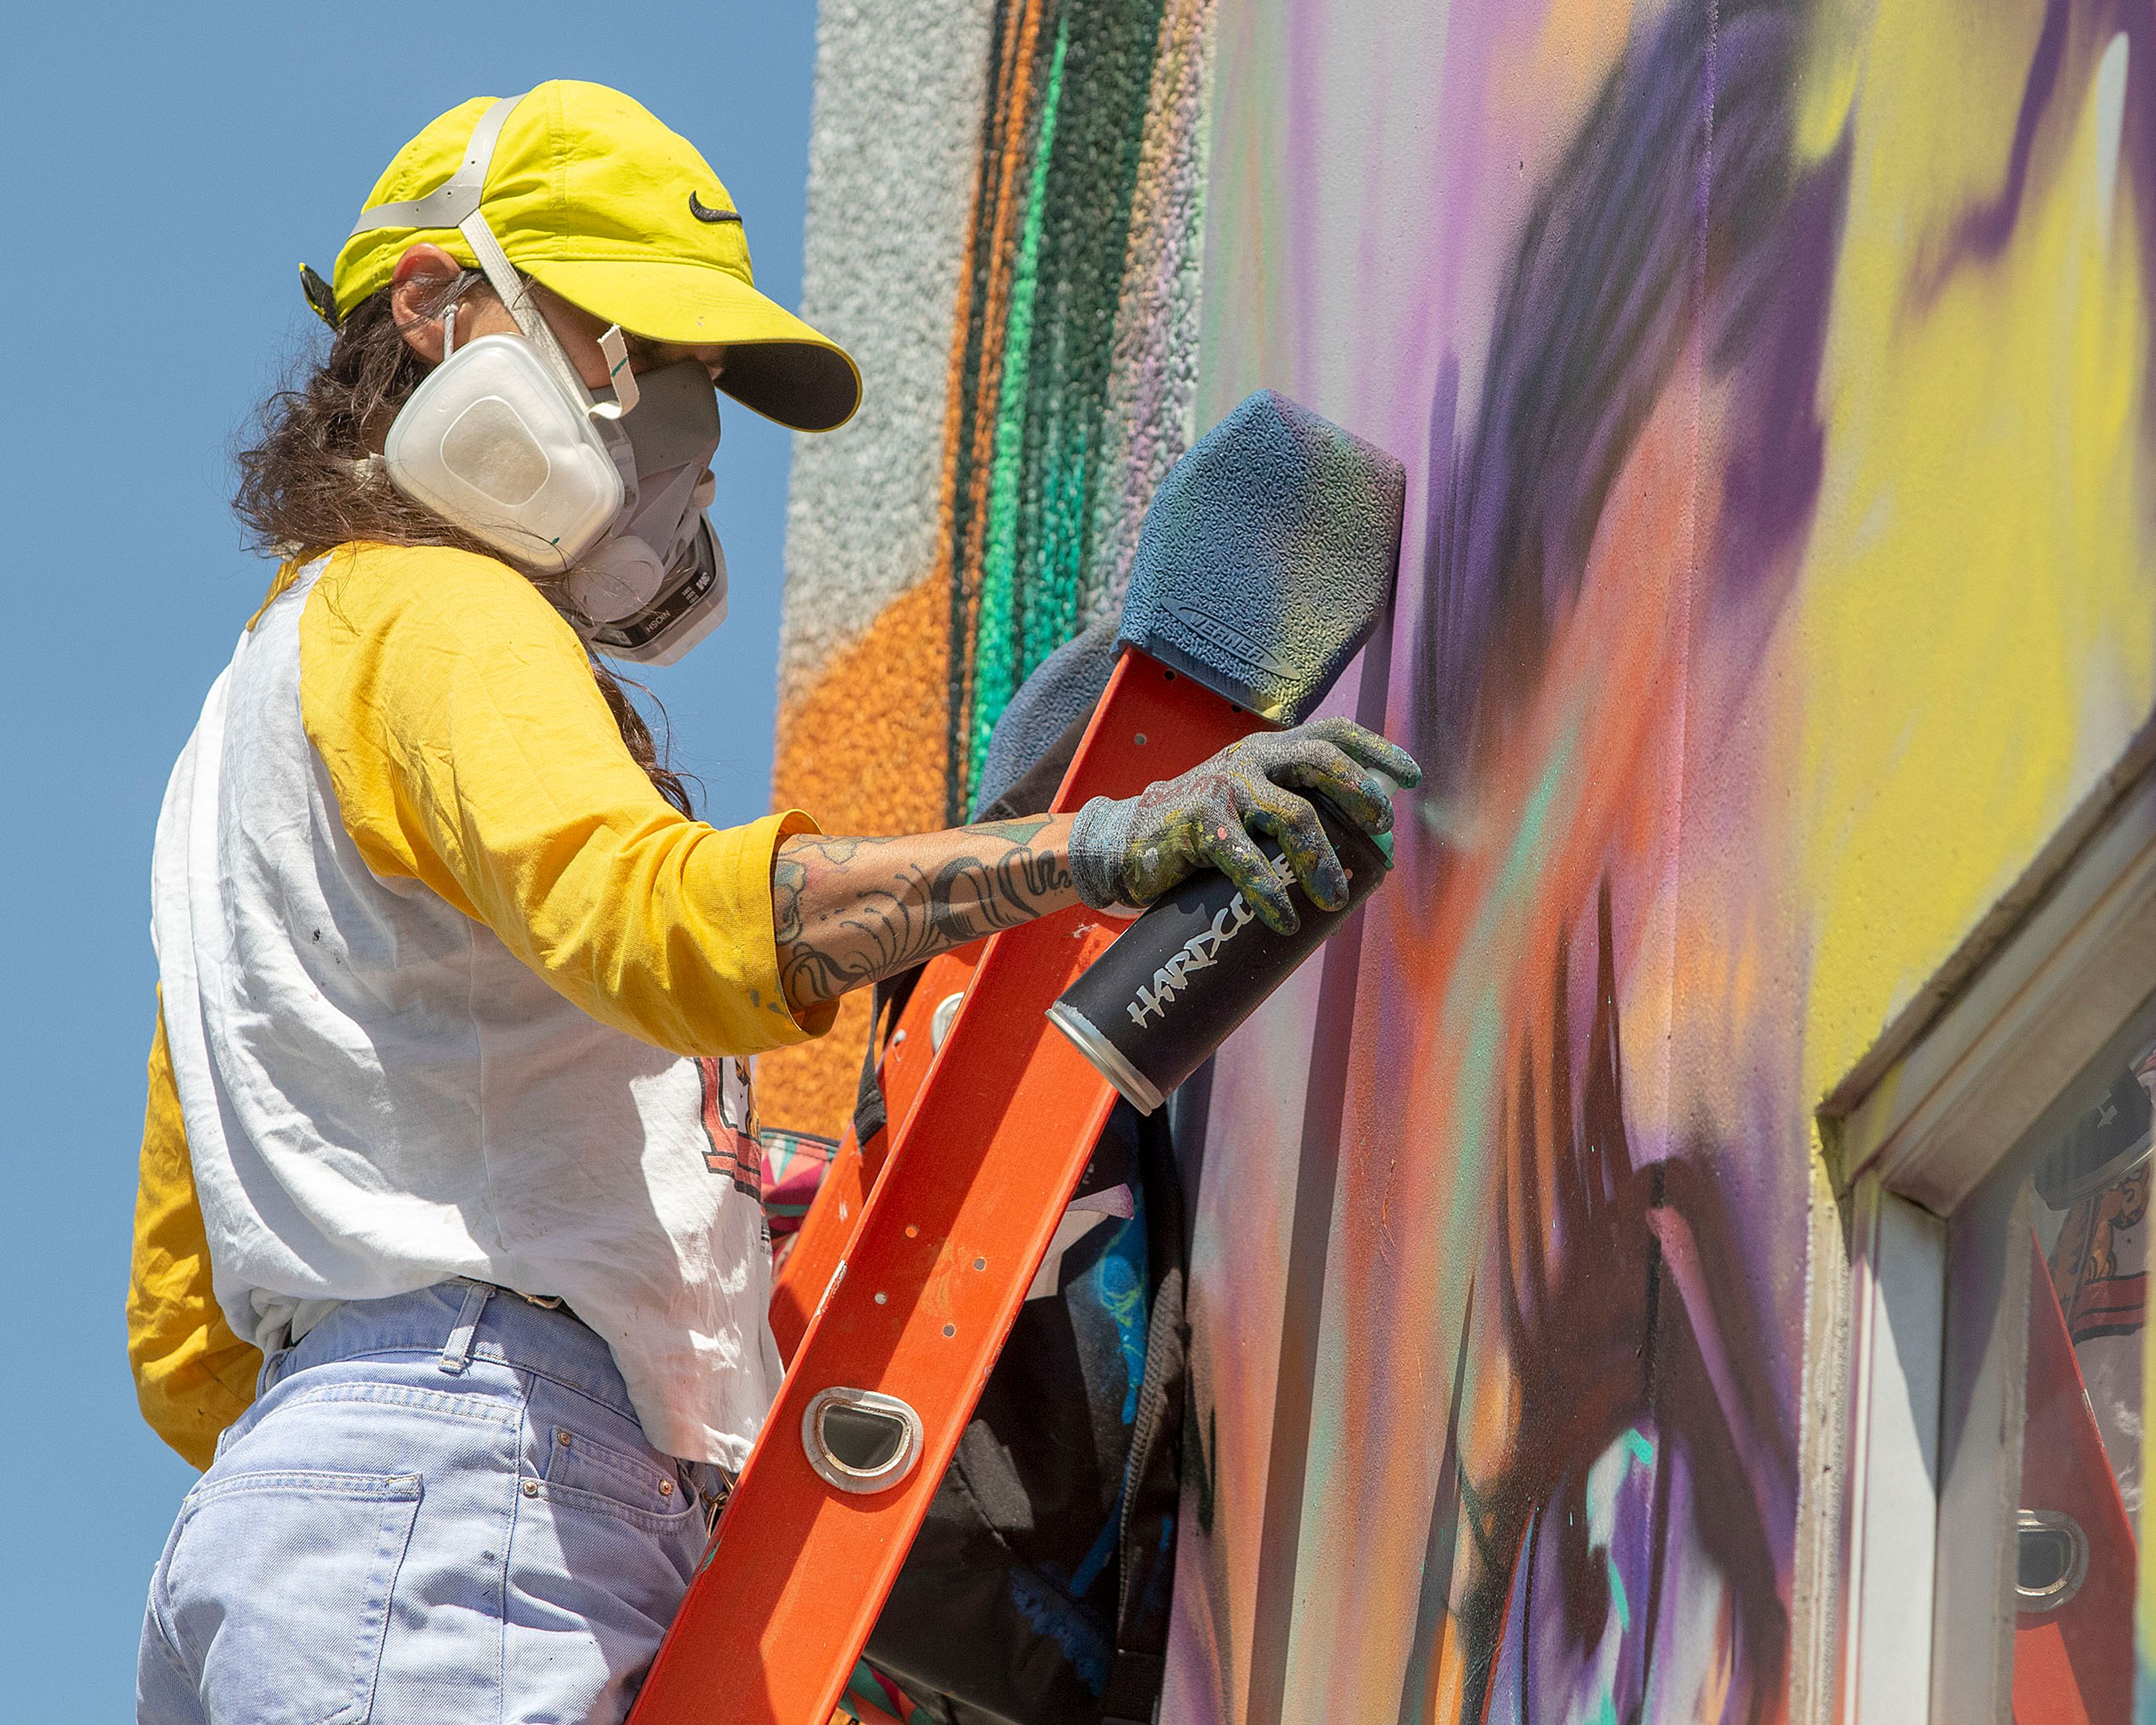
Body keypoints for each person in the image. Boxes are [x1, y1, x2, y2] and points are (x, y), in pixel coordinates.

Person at [129, 81, 1419, 1725]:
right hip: (458, 1513)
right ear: (440, 311)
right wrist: (1091, 851)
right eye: (634, 349)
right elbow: (659, 921)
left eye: (702, 374)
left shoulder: (253, 714)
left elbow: (187, 1331)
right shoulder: (442, 612)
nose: (683, 423)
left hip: (299, 1532)